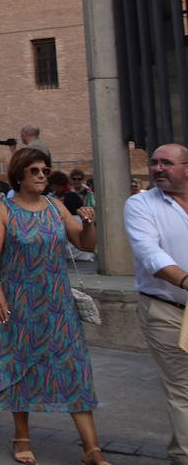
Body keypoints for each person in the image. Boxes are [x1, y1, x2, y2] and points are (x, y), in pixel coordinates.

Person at [0, 148, 106, 465]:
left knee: (73, 369)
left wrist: (88, 223)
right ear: (20, 174)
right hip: (19, 302)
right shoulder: (4, 210)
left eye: (45, 171)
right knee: (20, 366)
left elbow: (85, 244)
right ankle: (21, 436)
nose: (41, 175)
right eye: (34, 170)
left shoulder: (56, 207)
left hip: (57, 303)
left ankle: (91, 448)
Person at [125, 142, 188, 465]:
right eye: (154, 162)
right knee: (183, 390)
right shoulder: (141, 205)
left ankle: (180, 451)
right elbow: (150, 254)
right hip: (168, 309)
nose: (158, 168)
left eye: (167, 163)